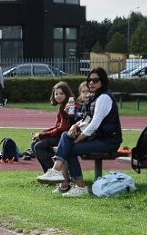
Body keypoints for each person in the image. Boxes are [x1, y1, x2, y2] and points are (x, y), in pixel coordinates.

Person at [36, 67, 123, 197]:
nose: (91, 83)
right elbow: (87, 118)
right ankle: (66, 178)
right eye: (89, 80)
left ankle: (70, 180)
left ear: (103, 82)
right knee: (66, 135)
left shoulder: (104, 98)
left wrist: (79, 138)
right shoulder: (95, 97)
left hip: (109, 140)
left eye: (95, 80)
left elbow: (95, 123)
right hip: (99, 138)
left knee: (70, 147)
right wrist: (75, 125)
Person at [30, 81, 74, 178]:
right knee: (34, 144)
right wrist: (42, 133)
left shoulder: (68, 107)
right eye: (56, 94)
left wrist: (42, 135)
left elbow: (62, 129)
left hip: (66, 138)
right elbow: (57, 126)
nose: (58, 96)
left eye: (61, 93)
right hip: (61, 136)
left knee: (38, 146)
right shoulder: (61, 107)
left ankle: (54, 174)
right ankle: (47, 173)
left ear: (67, 94)